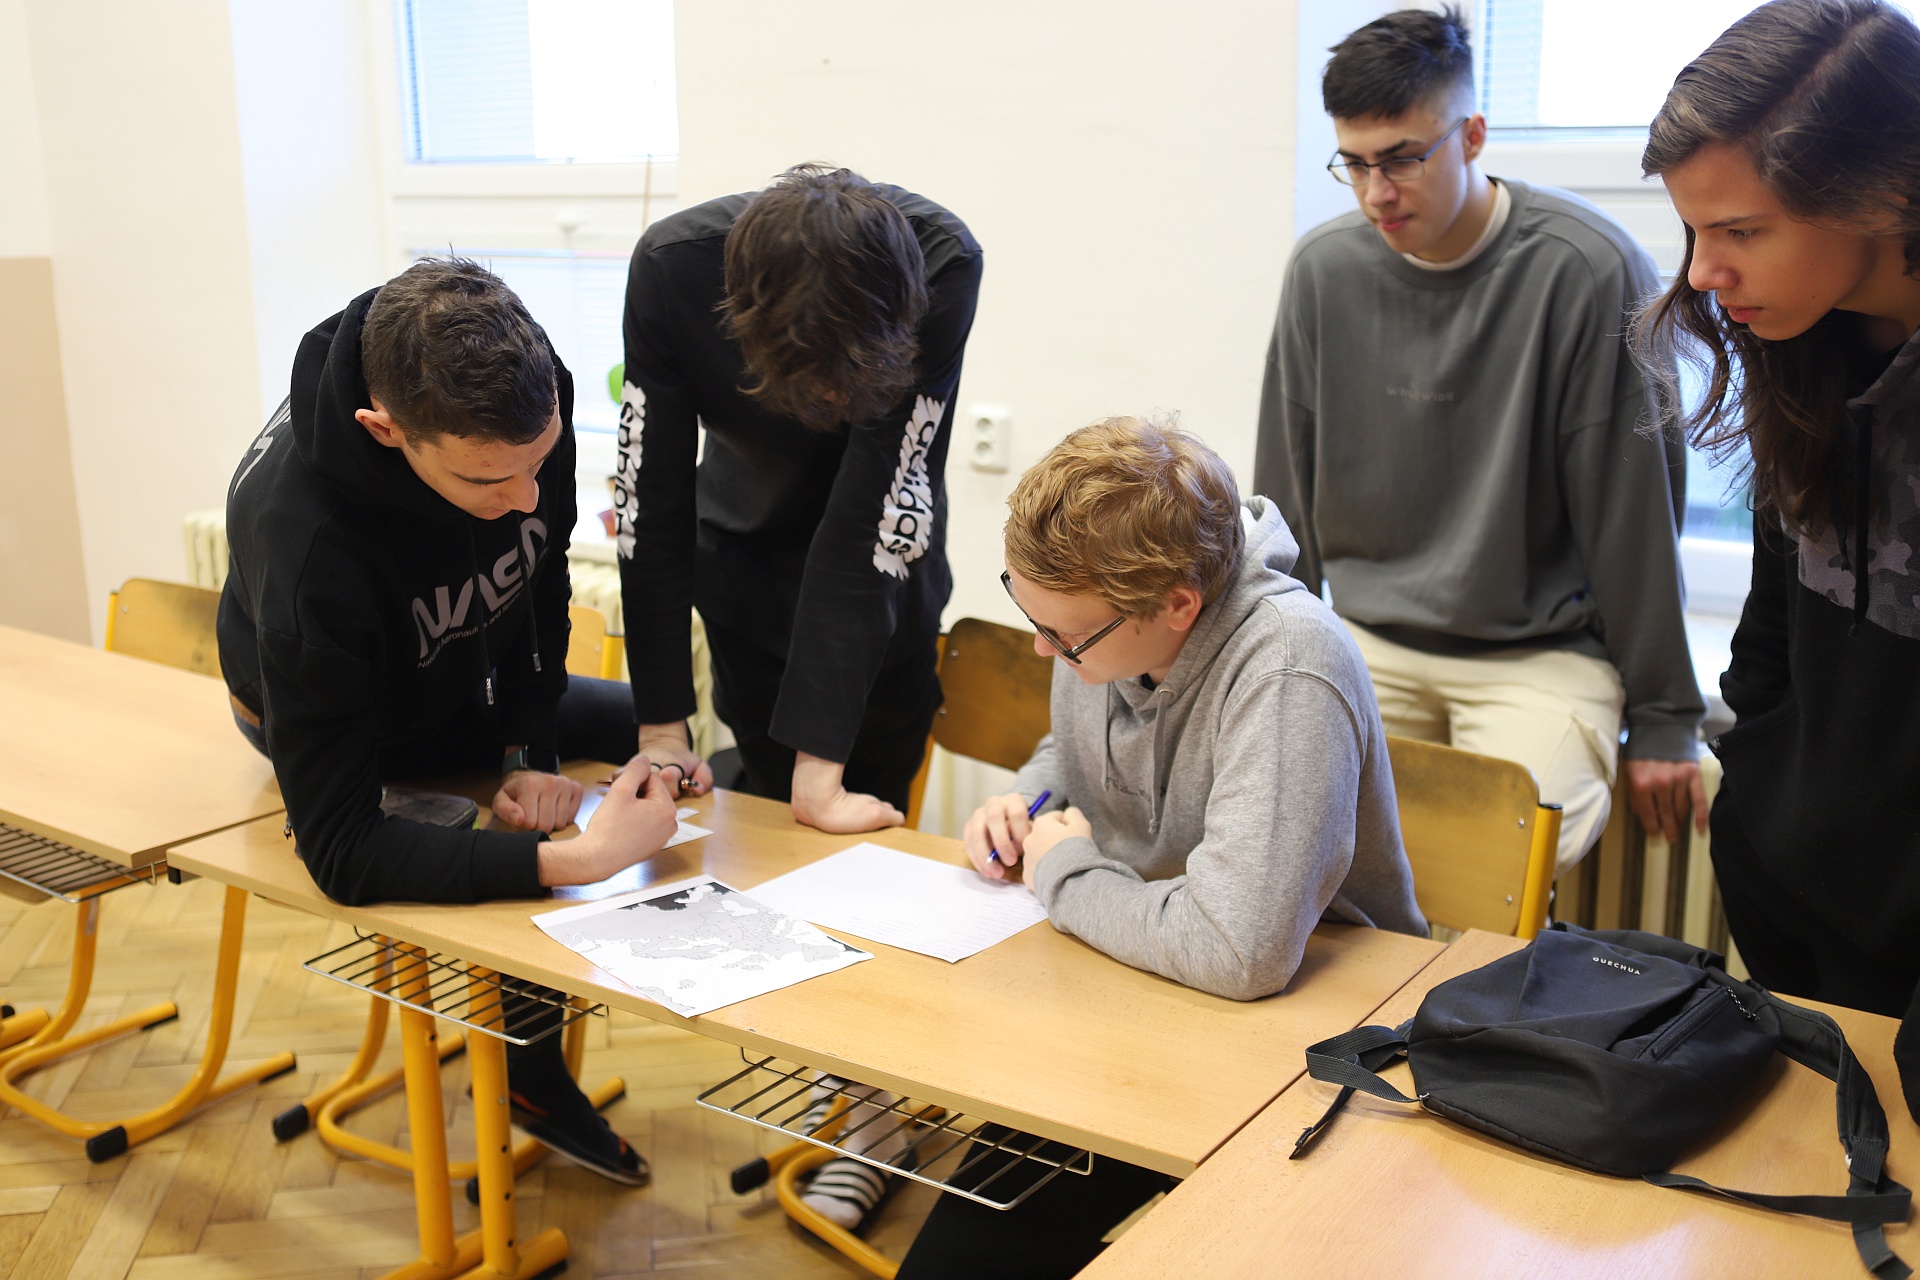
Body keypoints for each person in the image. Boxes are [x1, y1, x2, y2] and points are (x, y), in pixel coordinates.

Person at [893, 415, 1427, 1280]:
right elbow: (1080, 740)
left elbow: (1237, 948)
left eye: (1064, 637)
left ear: (1179, 605)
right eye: (1032, 616)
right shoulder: (1105, 623)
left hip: (1307, 1050)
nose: (1044, 649)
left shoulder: (1289, 664)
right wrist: (1029, 800)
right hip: (1141, 994)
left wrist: (1063, 873)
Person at [218, 257, 676, 1185]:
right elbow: (343, 852)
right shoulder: (307, 544)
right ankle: (529, 1079)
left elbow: (535, 581)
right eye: (489, 479)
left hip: (457, 676)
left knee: (665, 733)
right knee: (499, 842)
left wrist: (530, 749)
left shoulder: (527, 403)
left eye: (541, 462)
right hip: (337, 717)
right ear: (385, 431)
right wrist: (577, 859)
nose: (530, 498)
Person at [1254, 6, 1707, 875]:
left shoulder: (1587, 268)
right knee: (1288, 831)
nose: (1376, 192)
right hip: (1367, 638)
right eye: (1355, 163)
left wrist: (1665, 717)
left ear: (1472, 136)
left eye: (1402, 159)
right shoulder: (1323, 270)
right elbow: (1283, 499)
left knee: (1504, 859)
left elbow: (1635, 516)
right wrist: (1266, 664)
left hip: (1540, 653)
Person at [1635, 0, 1920, 1115]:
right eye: (1694, 232)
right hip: (1802, 918)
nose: (1705, 272)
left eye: (1742, 231)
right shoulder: (1797, 344)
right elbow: (1772, 627)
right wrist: (1756, 802)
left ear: (1885, 192)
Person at [614, 164, 982, 835]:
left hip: (884, 595)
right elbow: (650, 501)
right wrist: (662, 729)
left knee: (866, 841)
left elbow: (872, 512)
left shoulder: (942, 263)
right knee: (767, 830)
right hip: (747, 575)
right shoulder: (673, 269)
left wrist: (820, 772)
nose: (837, 402)